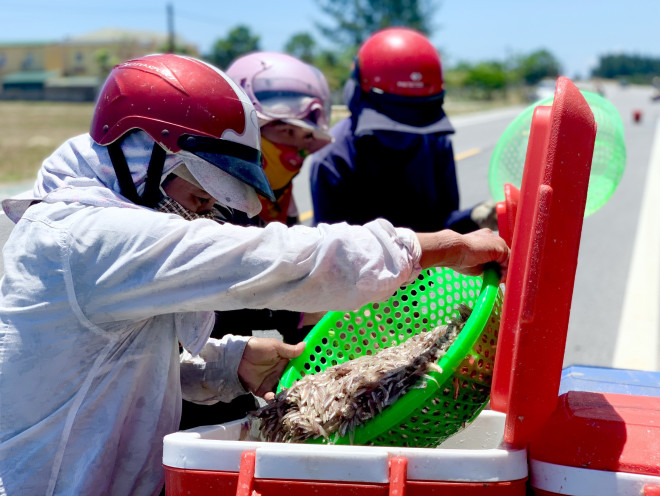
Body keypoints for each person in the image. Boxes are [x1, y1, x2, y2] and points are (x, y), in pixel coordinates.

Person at [0, 53, 509, 496]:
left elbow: (104, 374)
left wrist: (228, 364)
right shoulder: (87, 235)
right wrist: (445, 246)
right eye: (200, 196)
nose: (201, 215)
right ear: (144, 154)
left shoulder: (93, 228)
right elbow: (271, 259)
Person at [308, 27, 497, 233]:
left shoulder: (436, 142)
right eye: (391, 124)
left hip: (429, 263)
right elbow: (331, 252)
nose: (402, 135)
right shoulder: (334, 159)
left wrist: (474, 217)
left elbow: (442, 224)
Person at [225, 51, 333, 226]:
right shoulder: (210, 200)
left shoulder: (285, 200)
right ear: (248, 130)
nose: (298, 147)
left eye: (307, 135)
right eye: (288, 131)